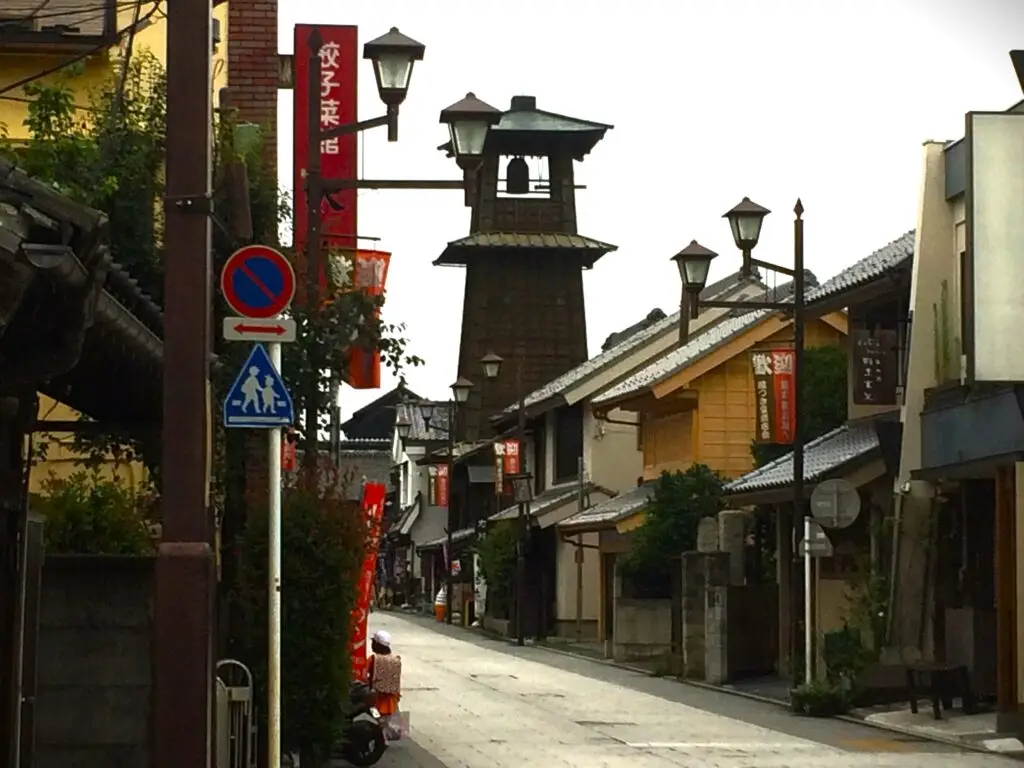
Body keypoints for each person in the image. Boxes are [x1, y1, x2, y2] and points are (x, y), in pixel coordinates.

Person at [367, 630, 401, 718]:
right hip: (393, 702)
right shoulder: (396, 660)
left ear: (376, 645)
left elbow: (363, 674)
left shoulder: (373, 659)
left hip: (377, 700)